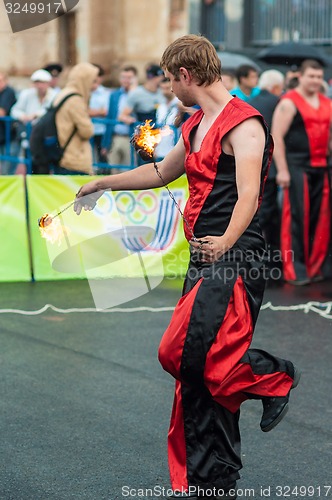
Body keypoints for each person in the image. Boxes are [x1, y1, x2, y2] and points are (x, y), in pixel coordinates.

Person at [74, 35, 300, 500]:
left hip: (235, 257)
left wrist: (226, 243)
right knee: (196, 369)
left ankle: (276, 376)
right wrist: (103, 183)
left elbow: (249, 196)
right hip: (206, 257)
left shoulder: (245, 126)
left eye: (169, 80)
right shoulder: (195, 122)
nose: (169, 91)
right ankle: (212, 476)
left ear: (185, 75)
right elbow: (161, 173)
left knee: (181, 355)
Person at [271, 59, 332, 285]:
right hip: (296, 168)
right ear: (301, 77)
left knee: (321, 220)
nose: (315, 81)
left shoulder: (327, 102)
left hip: (321, 168)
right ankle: (295, 270)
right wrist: (283, 171)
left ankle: (316, 267)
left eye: (318, 77)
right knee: (296, 219)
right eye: (311, 76)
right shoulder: (289, 102)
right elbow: (276, 137)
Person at [249, 69, 285, 283]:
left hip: (250, 166)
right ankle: (269, 263)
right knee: (268, 216)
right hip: (269, 166)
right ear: (275, 87)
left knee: (254, 213)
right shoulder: (278, 102)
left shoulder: (249, 101)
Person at [52, 62, 99, 175]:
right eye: (92, 81)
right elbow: (87, 131)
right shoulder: (75, 100)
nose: (93, 86)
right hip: (73, 159)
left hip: (61, 155)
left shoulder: (63, 94)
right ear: (84, 80)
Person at [10, 69, 56, 174]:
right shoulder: (27, 94)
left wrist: (36, 114)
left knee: (48, 165)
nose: (40, 86)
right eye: (37, 82)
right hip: (31, 136)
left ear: (48, 83)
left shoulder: (54, 95)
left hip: (48, 137)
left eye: (43, 82)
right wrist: (23, 116)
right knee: (31, 165)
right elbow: (15, 110)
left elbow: (53, 113)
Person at [118, 63, 164, 165]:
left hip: (162, 137)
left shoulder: (164, 91)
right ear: (157, 77)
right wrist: (132, 121)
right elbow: (122, 115)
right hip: (145, 138)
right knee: (145, 167)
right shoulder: (137, 93)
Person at [101, 65, 138, 172]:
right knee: (113, 171)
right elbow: (110, 117)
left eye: (129, 77)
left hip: (131, 138)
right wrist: (105, 143)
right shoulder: (114, 95)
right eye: (123, 77)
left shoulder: (138, 94)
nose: (126, 80)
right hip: (115, 137)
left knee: (129, 172)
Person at [88, 64, 111, 174]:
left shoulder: (105, 93)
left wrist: (89, 112)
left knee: (102, 158)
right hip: (87, 131)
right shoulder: (84, 92)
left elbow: (106, 111)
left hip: (100, 131)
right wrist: (98, 112)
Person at [0, 71, 17, 174]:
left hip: (10, 136)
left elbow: (2, 112)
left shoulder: (8, 92)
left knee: (7, 170)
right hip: (2, 137)